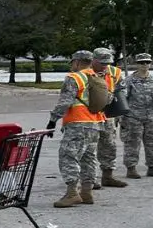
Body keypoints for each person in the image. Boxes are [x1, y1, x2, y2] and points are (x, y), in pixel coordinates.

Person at [46, 50, 106, 208]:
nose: (72, 65)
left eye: (72, 62)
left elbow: (65, 101)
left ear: (77, 62)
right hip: (95, 124)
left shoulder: (74, 78)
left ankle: (72, 193)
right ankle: (87, 192)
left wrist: (53, 120)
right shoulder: (97, 77)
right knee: (89, 158)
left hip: (77, 124)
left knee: (68, 156)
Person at [91, 48, 128, 188]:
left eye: (107, 62)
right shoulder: (84, 72)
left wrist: (119, 105)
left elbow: (121, 88)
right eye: (101, 62)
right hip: (90, 114)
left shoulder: (115, 72)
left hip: (108, 114)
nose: (105, 65)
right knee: (90, 147)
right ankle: (90, 179)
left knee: (109, 145)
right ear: (93, 60)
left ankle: (107, 176)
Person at [121, 53, 153, 178]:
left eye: (147, 62)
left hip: (151, 117)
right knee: (132, 143)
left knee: (151, 143)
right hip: (133, 117)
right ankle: (131, 168)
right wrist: (122, 117)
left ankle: (151, 167)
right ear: (136, 64)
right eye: (141, 62)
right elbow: (123, 98)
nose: (144, 65)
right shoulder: (129, 80)